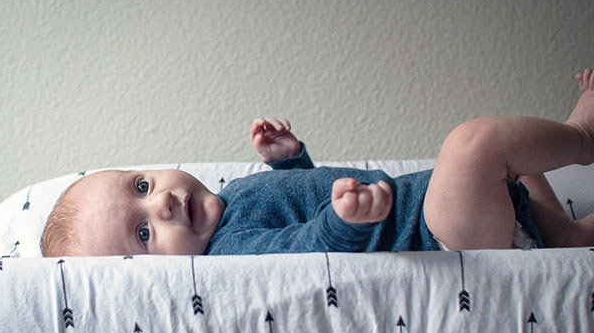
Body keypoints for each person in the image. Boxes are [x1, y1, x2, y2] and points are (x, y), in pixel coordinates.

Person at [40, 68, 594, 257]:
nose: (159, 201)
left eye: (140, 184)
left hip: (471, 215)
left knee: (515, 167)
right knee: (472, 147)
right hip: (434, 237)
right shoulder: (232, 251)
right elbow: (302, 250)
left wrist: (292, 163)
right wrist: (342, 223)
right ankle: (582, 137)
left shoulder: (234, 197)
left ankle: (562, 236)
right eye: (142, 231)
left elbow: (303, 201)